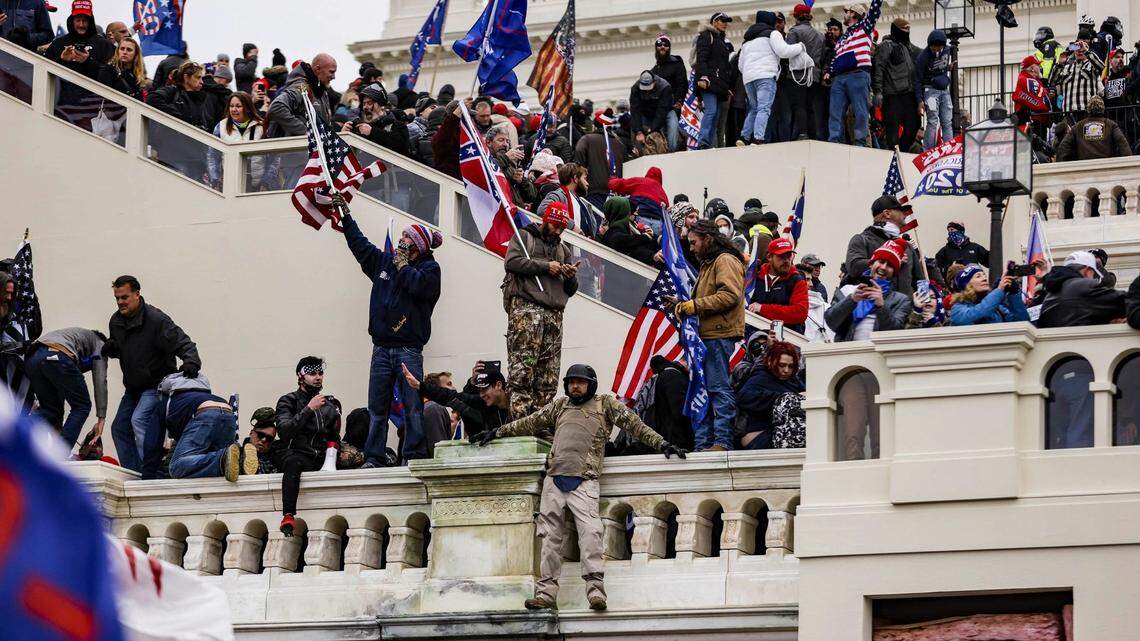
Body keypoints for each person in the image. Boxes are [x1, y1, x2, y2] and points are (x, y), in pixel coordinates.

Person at [470, 364, 687, 611]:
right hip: (554, 480)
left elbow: (635, 426)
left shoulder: (605, 404)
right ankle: (546, 595)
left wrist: (662, 444)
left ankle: (596, 593)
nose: (575, 386)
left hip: (584, 481)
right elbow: (529, 423)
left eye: (580, 382)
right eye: (571, 382)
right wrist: (497, 432)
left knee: (591, 536)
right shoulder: (560, 405)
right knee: (550, 539)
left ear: (591, 384)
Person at [339, 198, 442, 467]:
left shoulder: (429, 269)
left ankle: (414, 456)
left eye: (408, 237)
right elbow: (360, 247)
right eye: (403, 235)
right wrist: (346, 217)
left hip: (409, 348)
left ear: (418, 247)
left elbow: (419, 288)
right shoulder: (384, 262)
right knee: (377, 409)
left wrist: (403, 266)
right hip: (381, 347)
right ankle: (373, 457)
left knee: (412, 407)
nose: (402, 240)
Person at [104, 275, 201, 478]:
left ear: (137, 294)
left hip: (156, 384)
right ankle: (135, 473)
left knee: (139, 420)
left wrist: (191, 362)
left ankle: (153, 471)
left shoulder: (157, 320)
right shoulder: (116, 321)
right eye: (117, 298)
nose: (120, 302)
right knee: (119, 428)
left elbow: (184, 342)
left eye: (125, 297)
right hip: (133, 388)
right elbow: (121, 345)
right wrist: (112, 348)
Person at [503, 201, 579, 419]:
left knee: (548, 375)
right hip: (527, 309)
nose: (558, 232)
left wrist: (569, 275)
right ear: (546, 221)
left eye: (562, 228)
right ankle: (519, 420)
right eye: (555, 226)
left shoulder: (563, 250)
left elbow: (571, 290)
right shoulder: (525, 237)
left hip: (554, 314)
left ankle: (540, 421)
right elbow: (512, 262)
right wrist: (546, 266)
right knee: (522, 369)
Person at [674, 220, 745, 452]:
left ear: (707, 239)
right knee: (702, 391)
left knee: (717, 388)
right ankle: (703, 443)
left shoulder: (725, 260)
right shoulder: (709, 264)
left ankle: (722, 441)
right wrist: (681, 305)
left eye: (694, 242)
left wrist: (693, 306)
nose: (691, 248)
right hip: (706, 337)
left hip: (718, 336)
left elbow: (729, 296)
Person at [275, 357, 343, 536]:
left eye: (320, 373)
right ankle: (288, 515)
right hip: (297, 454)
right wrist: (308, 409)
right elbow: (284, 431)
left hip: (320, 458)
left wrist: (332, 456)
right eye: (312, 373)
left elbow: (334, 437)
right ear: (300, 375)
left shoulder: (329, 407)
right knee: (293, 462)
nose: (318, 377)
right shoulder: (288, 400)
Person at [23, 327, 107, 449]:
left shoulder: (74, 336)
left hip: (32, 358)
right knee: (82, 406)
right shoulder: (100, 343)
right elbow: (100, 379)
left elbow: (61, 384)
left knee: (51, 410)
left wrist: (59, 424)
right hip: (56, 355)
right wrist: (101, 419)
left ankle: (10, 434)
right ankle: (60, 454)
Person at [161, 372, 249, 481]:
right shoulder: (204, 394)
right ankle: (241, 459)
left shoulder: (169, 399)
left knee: (176, 466)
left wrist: (148, 477)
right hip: (228, 412)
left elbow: (152, 441)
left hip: (206, 413)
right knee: (226, 467)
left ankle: (223, 458)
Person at [737, 10, 805, 146]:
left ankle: (744, 138)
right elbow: (783, 51)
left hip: (749, 78)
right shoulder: (773, 33)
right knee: (764, 108)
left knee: (754, 109)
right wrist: (800, 46)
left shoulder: (747, 40)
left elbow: (740, 65)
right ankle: (758, 139)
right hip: (766, 76)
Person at [826, 238, 912, 341]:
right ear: (871, 264)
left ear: (894, 273)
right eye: (881, 261)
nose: (884, 267)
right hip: (847, 354)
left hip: (879, 355)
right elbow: (831, 322)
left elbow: (895, 334)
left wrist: (881, 306)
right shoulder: (848, 290)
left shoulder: (901, 300)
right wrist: (851, 300)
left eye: (890, 265)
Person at [404, 363, 512, 439]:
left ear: (498, 385)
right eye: (479, 390)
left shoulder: (524, 401)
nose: (482, 394)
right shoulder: (481, 403)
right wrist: (419, 386)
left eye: (485, 389)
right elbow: (449, 396)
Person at [827, 0, 883, 146]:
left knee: (860, 111)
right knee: (835, 111)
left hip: (858, 74)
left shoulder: (865, 27)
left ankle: (860, 142)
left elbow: (874, 13)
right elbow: (836, 56)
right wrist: (830, 72)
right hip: (839, 78)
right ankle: (834, 141)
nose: (844, 15)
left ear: (854, 14)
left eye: (847, 12)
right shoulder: (843, 38)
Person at [845, 195, 924, 297]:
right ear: (887, 213)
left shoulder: (907, 247)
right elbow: (853, 267)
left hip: (905, 310)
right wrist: (888, 259)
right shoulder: (862, 239)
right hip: (876, 309)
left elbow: (920, 282)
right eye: (901, 211)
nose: (905, 214)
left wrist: (924, 305)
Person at [736, 341, 806, 449]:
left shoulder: (794, 381)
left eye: (791, 366)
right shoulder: (761, 376)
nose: (786, 370)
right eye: (782, 365)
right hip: (759, 438)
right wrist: (782, 398)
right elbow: (744, 396)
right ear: (770, 361)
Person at [1037, 251, 1126, 328]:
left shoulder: (1049, 294)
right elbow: (1124, 300)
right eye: (1094, 275)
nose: (1095, 279)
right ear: (1087, 270)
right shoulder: (1082, 286)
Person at [873, 18, 920, 151]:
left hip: (909, 95)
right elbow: (879, 68)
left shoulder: (909, 47)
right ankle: (894, 154)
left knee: (915, 125)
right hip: (892, 95)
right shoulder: (886, 45)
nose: (907, 31)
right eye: (904, 29)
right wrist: (878, 91)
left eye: (909, 29)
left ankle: (902, 150)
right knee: (892, 129)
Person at [266, 53, 337, 137]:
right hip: (296, 148)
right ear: (317, 69)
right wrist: (306, 131)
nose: (334, 77)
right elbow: (276, 108)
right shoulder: (302, 87)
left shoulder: (320, 91)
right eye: (331, 72)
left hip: (314, 147)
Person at [747, 237, 809, 334]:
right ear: (769, 257)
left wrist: (762, 309)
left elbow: (800, 313)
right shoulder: (755, 276)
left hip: (788, 340)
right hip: (754, 336)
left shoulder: (797, 280)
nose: (786, 260)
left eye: (788, 256)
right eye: (781, 256)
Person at [147, 61, 230, 132]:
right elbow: (152, 98)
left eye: (202, 78)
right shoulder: (173, 91)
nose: (201, 82)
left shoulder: (208, 97)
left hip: (201, 146)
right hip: (173, 144)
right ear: (186, 77)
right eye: (198, 77)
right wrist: (179, 118)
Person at [693, 12, 735, 149]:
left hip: (719, 84)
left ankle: (708, 144)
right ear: (714, 22)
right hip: (708, 82)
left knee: (716, 115)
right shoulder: (706, 36)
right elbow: (701, 58)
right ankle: (703, 142)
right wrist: (703, 77)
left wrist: (726, 86)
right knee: (711, 110)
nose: (725, 24)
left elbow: (724, 67)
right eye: (722, 21)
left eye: (726, 21)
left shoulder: (721, 41)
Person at [785, 4, 827, 141]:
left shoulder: (794, 32)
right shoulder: (820, 35)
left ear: (796, 16)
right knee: (810, 106)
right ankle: (812, 134)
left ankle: (803, 133)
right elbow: (821, 57)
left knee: (799, 105)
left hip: (798, 75)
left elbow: (788, 53)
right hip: (814, 76)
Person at [44, 1, 112, 80]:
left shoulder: (103, 44)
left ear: (90, 22)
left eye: (85, 21)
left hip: (95, 91)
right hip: (62, 91)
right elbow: (43, 69)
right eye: (78, 20)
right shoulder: (58, 43)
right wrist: (62, 60)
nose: (81, 25)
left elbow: (111, 74)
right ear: (72, 21)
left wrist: (88, 61)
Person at [946, 264, 1030, 326]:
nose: (985, 279)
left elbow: (1022, 323)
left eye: (984, 275)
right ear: (967, 284)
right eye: (978, 276)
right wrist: (999, 290)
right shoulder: (957, 309)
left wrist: (1014, 294)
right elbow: (976, 313)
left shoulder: (998, 308)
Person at [210, 92, 264, 187]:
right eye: (231, 106)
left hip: (256, 185)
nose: (234, 109)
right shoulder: (221, 127)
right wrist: (215, 178)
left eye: (238, 106)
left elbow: (273, 158)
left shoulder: (261, 127)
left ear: (247, 108)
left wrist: (266, 181)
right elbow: (213, 156)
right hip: (229, 185)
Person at [344, 83, 411, 157]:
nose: (365, 107)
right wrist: (345, 134)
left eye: (369, 103)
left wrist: (372, 132)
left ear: (381, 105)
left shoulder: (397, 125)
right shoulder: (360, 127)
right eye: (364, 104)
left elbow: (401, 146)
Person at [1056, 95, 1132, 161]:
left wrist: (1060, 165)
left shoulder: (1078, 126)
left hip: (1084, 167)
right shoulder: (1110, 124)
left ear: (1088, 109)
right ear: (1103, 109)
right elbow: (1123, 144)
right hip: (1106, 167)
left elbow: (1063, 147)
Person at [575, 117, 626, 211]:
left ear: (594, 126)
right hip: (615, 192)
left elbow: (579, 154)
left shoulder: (587, 139)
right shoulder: (619, 144)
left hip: (594, 189)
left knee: (596, 222)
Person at [915, 29, 953, 149]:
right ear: (929, 45)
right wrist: (919, 100)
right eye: (934, 48)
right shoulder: (922, 57)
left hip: (944, 90)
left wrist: (947, 67)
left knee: (947, 121)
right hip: (930, 90)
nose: (936, 51)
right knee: (932, 121)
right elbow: (918, 80)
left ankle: (949, 148)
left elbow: (940, 67)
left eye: (939, 48)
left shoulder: (947, 50)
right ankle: (928, 150)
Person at [538, 163, 598, 238]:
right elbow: (543, 210)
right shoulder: (558, 195)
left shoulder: (583, 203)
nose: (588, 183)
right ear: (575, 178)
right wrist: (572, 226)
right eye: (585, 179)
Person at [650, 34, 687, 151]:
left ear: (669, 47)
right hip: (658, 110)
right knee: (659, 136)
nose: (662, 47)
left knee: (673, 132)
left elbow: (682, 84)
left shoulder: (677, 64)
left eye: (665, 45)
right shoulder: (654, 71)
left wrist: (678, 101)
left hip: (671, 108)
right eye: (659, 44)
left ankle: (673, 153)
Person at [599, 196, 661, 266]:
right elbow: (621, 241)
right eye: (628, 211)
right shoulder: (614, 230)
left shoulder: (626, 229)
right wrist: (644, 237)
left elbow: (636, 248)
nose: (634, 214)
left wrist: (653, 255)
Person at [1051, 39, 1103, 120]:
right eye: (1077, 48)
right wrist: (1060, 64)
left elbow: (1101, 66)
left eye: (1082, 48)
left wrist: (1086, 51)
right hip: (1068, 113)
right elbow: (1052, 82)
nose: (1079, 50)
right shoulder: (1066, 67)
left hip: (1087, 112)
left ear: (1087, 50)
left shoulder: (1092, 65)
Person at [607, 166, 667, 235]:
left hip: (640, 219)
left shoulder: (640, 181)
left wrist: (611, 180)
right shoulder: (662, 192)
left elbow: (617, 184)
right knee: (651, 245)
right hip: (658, 224)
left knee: (638, 243)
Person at [97, 35, 145, 101]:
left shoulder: (137, 77)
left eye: (129, 50)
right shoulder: (108, 70)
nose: (124, 52)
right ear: (118, 51)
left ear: (135, 54)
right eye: (122, 49)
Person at [1012, 56, 1051, 134]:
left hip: (1037, 121)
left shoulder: (1031, 79)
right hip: (1033, 122)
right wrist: (1045, 107)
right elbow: (1033, 98)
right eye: (1037, 65)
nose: (1040, 67)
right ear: (1032, 68)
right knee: (1035, 145)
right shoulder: (1027, 80)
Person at [420, 371, 454, 455]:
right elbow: (438, 450)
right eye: (449, 384)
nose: (453, 388)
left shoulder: (425, 407)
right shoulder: (433, 408)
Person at [245, 406, 280, 474]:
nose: (264, 440)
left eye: (269, 438)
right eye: (260, 435)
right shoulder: (238, 454)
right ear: (251, 433)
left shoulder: (276, 460)